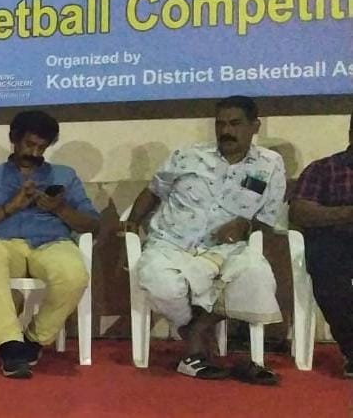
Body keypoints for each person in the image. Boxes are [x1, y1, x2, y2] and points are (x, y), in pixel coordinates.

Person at [122, 96, 286, 384]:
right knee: (159, 282)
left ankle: (197, 338)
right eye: (220, 124)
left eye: (235, 124)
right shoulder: (187, 155)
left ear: (254, 126)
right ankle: (196, 338)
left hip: (226, 250)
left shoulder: (270, 165)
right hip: (171, 244)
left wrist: (245, 225)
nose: (226, 131)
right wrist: (132, 225)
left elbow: (267, 220)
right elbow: (153, 191)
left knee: (255, 275)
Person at [0, 110, 98, 379]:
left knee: (74, 276)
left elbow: (93, 224)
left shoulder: (64, 175)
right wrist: (9, 207)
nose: (34, 153)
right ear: (14, 138)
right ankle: (10, 344)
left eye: (41, 147)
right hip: (5, 243)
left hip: (51, 243)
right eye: (29, 144)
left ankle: (34, 339)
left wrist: (60, 209)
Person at [289, 110, 353, 379]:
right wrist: (348, 213)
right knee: (327, 270)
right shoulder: (323, 169)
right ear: (351, 134)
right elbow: (301, 212)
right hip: (335, 242)